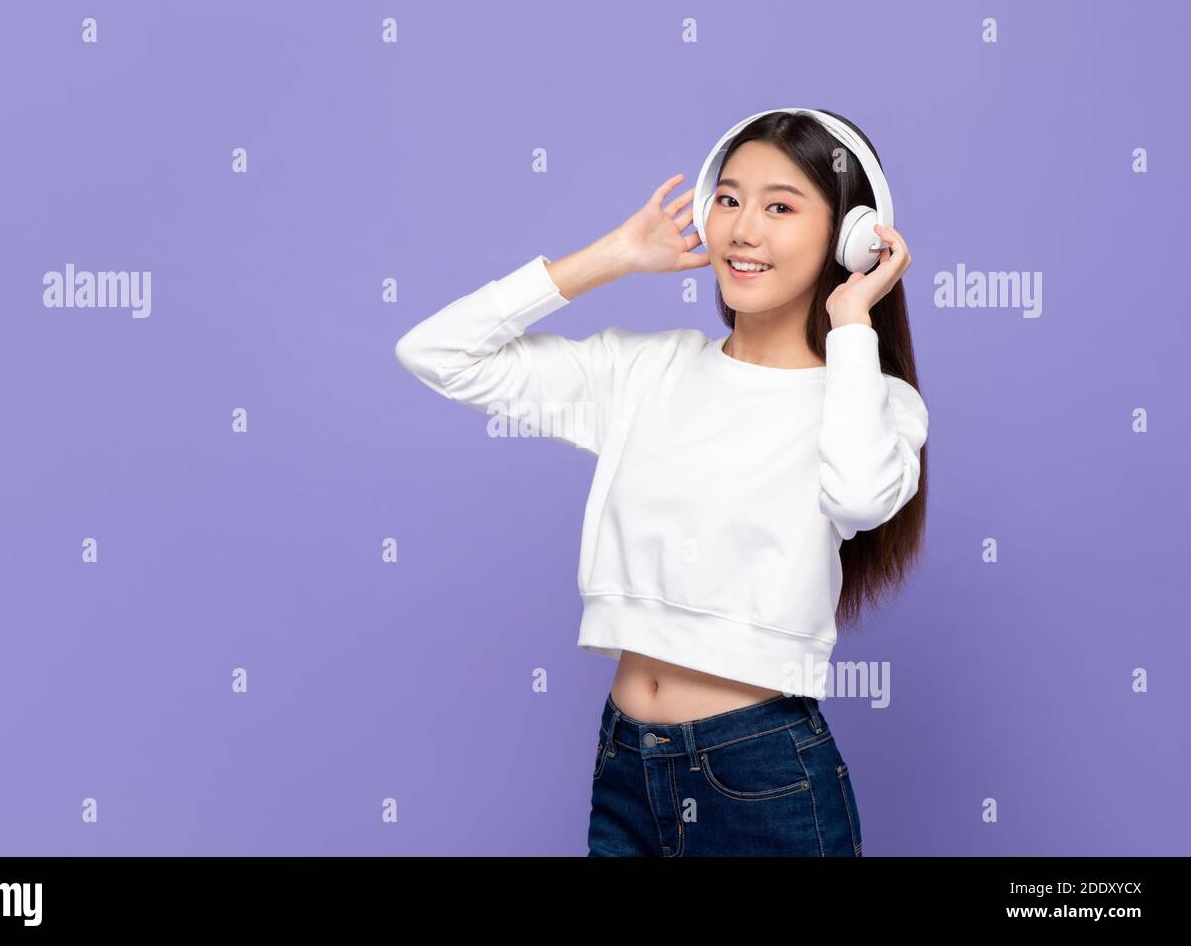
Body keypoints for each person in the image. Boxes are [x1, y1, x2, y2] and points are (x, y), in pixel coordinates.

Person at [394, 109, 928, 856]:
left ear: (851, 236)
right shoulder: (645, 370)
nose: (743, 228)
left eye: (780, 205)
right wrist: (610, 256)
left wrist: (850, 324)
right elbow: (436, 352)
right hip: (625, 764)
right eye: (730, 198)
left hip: (763, 774)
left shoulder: (872, 402)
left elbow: (861, 496)